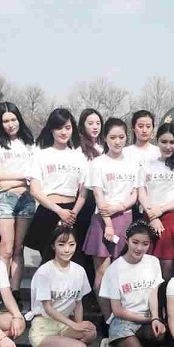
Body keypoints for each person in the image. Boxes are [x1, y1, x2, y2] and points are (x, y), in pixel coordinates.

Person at [83, 118, 138, 328]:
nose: (117, 141)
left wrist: (120, 207)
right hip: (103, 221)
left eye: (121, 137)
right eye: (113, 137)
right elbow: (98, 195)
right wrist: (108, 223)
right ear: (105, 138)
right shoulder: (98, 163)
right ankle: (107, 318)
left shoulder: (133, 163)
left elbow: (135, 193)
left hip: (125, 218)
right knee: (103, 272)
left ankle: (120, 314)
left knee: (121, 271)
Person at [96, 221, 166, 347]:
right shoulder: (115, 269)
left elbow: (153, 293)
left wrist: (155, 318)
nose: (139, 248)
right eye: (135, 242)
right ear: (127, 241)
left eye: (145, 244)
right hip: (123, 324)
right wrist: (148, 319)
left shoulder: (153, 262)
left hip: (146, 321)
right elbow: (117, 310)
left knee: (163, 336)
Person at [28, 226, 97, 347]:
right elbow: (48, 308)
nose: (67, 250)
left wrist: (79, 325)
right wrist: (74, 325)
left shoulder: (79, 271)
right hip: (44, 326)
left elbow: (78, 303)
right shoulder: (44, 272)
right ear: (53, 246)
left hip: (64, 325)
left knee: (90, 332)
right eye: (61, 244)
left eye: (71, 245)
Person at [0, 102, 35, 307]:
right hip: (4, 199)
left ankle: (15, 292)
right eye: (5, 121)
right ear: (0, 123)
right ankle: (3, 293)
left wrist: (15, 182)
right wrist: (25, 177)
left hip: (26, 199)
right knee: (5, 250)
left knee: (18, 249)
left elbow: (35, 174)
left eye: (13, 119)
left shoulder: (29, 142)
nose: (10, 124)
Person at [138, 122, 174, 281]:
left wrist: (162, 209)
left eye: (172, 142)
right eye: (164, 142)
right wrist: (152, 216)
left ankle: (165, 297)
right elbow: (141, 193)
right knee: (147, 270)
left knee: (166, 271)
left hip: (171, 219)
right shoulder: (147, 164)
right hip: (149, 218)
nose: (168, 146)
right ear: (157, 141)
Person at [25, 108, 88, 259]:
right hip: (48, 211)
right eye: (59, 128)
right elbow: (34, 190)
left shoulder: (79, 157)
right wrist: (59, 211)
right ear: (51, 129)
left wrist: (72, 214)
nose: (64, 132)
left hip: (72, 213)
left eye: (67, 127)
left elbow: (83, 191)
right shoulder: (41, 155)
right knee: (48, 260)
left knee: (71, 260)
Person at [72, 108, 104, 286]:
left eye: (98, 123)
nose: (95, 127)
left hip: (102, 198)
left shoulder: (103, 147)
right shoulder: (78, 150)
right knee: (85, 244)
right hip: (85, 199)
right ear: (82, 125)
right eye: (90, 123)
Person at [124, 110, 160, 220]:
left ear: (153, 128)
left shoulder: (159, 152)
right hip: (127, 203)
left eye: (148, 126)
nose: (144, 130)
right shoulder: (124, 152)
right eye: (140, 126)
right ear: (133, 128)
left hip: (153, 203)